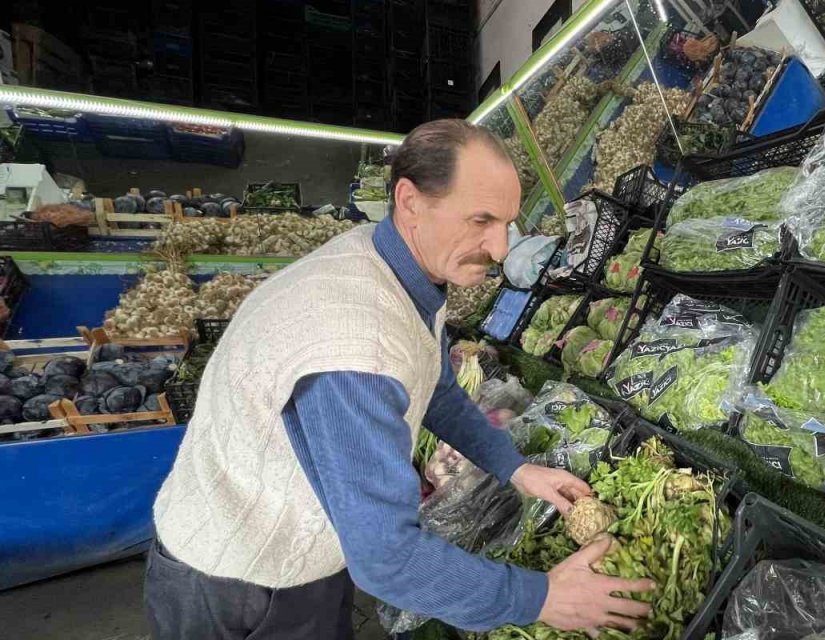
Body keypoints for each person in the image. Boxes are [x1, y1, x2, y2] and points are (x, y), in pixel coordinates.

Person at [144, 120, 656, 640]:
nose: (501, 249)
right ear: (410, 201)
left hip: (304, 545)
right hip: (241, 585)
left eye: (506, 222)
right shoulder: (354, 343)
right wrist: (541, 597)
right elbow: (386, 559)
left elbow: (434, 387)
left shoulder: (397, 265)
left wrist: (515, 469)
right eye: (480, 220)